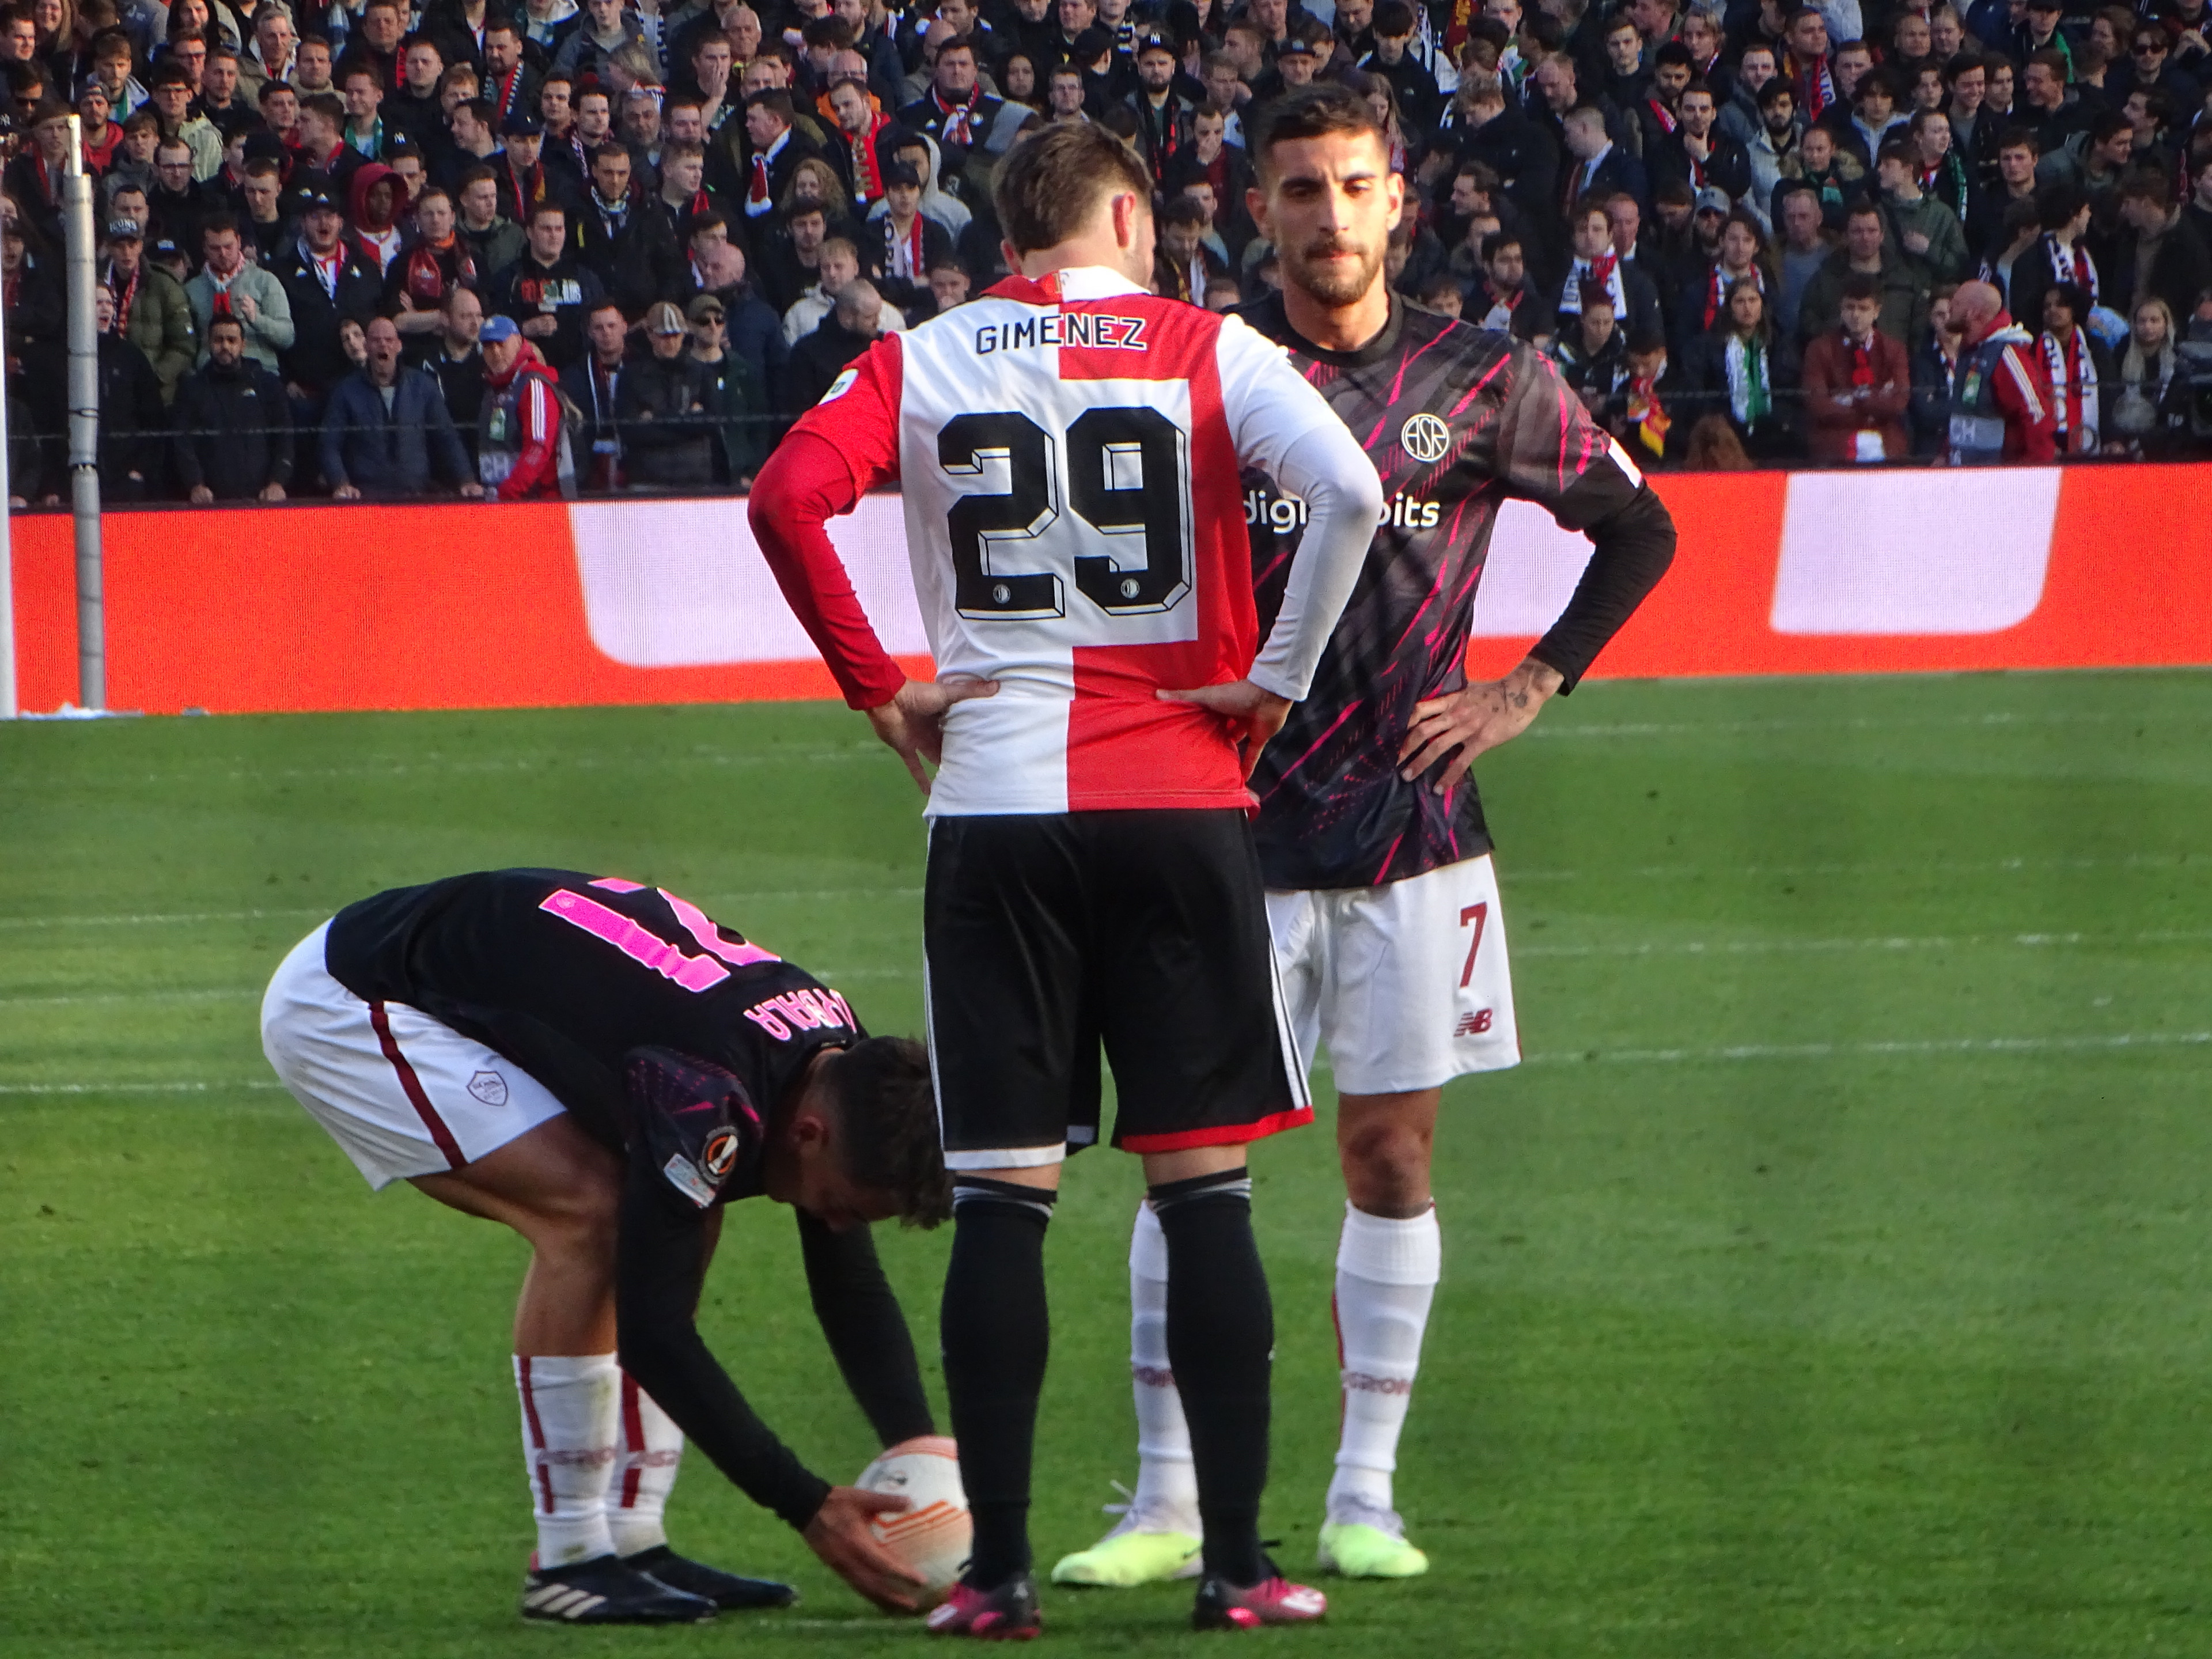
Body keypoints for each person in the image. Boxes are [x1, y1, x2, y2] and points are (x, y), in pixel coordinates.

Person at [745, 115, 1386, 1638]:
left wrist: (876, 685)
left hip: (996, 809)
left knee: (1000, 1202)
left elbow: (783, 501)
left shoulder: (924, 356)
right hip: (1178, 794)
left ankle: (1000, 1576)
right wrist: (1277, 679)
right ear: (1126, 217)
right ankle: (1237, 1568)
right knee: (1207, 1192)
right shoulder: (1209, 348)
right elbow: (1353, 495)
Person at [1049, 82, 1674, 1596]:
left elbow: (1639, 527)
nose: (1329, 217)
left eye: (1353, 187)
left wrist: (1527, 686)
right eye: (1300, 191)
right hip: (1222, 834)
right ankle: (1162, 1506)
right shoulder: (1200, 372)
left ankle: (1362, 1498)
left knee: (1392, 1160)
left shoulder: (1487, 378)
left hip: (1415, 832)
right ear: (1256, 211)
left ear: (1397, 202)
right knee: (1192, 1170)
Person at [259, 869, 952, 1624]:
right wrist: (805, 1504)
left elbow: (848, 1287)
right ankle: (570, 1559)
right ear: (810, 1136)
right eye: (846, 1205)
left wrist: (919, 1450)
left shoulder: (838, 1059)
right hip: (353, 997)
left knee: (679, 1194)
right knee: (594, 1219)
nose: (842, 1225)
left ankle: (631, 1538)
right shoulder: (708, 1088)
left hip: (472, 960)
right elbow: (656, 1337)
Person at [321, 314, 482, 497]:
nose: (383, 345)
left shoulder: (423, 387)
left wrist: (466, 479)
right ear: (366, 347)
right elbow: (329, 445)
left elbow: (447, 438)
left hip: (415, 496)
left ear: (399, 346)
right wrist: (340, 483)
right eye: (376, 340)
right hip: (365, 498)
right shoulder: (345, 391)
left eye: (389, 340)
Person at [172, 312, 294, 501]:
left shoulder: (267, 384)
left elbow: (284, 435)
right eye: (218, 340)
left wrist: (277, 482)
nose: (225, 346)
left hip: (261, 500)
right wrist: (195, 484)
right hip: (210, 502)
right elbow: (183, 442)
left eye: (232, 340)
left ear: (243, 345)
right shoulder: (192, 388)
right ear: (208, 343)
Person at [1798, 271, 1911, 460]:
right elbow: (1818, 404)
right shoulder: (1819, 349)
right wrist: (1876, 397)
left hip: (1885, 438)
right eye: (1850, 308)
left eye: (1864, 308)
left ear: (1876, 311)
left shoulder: (1894, 349)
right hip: (1835, 439)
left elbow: (1899, 402)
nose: (1856, 315)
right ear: (1841, 310)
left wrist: (1850, 399)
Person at [1942, 277, 2055, 463]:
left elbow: (2036, 415)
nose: (1950, 308)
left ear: (1973, 313)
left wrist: (2034, 475)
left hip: (1999, 480)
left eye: (1957, 303)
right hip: (1967, 475)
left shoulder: (2006, 355)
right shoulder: (1972, 353)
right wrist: (1946, 454)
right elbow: (1969, 412)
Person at [477, 311, 577, 499]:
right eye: (488, 346)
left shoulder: (534, 384)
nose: (496, 352)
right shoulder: (493, 388)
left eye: (501, 344)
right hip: (502, 501)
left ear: (517, 342)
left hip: (536, 504)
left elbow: (538, 447)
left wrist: (509, 491)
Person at [617, 298, 716, 486]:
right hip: (648, 479)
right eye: (664, 336)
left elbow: (712, 422)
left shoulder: (701, 372)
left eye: (676, 335)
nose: (671, 342)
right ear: (650, 334)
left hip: (695, 479)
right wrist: (687, 421)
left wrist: (656, 418)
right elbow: (630, 431)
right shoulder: (631, 376)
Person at [101, 215, 198, 401]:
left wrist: (154, 378)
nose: (127, 252)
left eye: (132, 245)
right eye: (120, 246)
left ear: (141, 246)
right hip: (105, 389)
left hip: (152, 394)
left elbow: (185, 346)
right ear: (109, 248)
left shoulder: (164, 285)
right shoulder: (94, 281)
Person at [184, 213, 295, 370]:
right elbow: (184, 345)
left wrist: (257, 319)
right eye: (215, 248)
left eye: (228, 247)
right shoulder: (192, 289)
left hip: (259, 372)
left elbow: (287, 338)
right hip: (210, 377)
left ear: (239, 242)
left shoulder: (265, 281)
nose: (223, 254)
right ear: (204, 249)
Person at [2037, 279, 2113, 455]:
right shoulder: (2034, 348)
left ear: (2074, 309)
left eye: (2061, 305)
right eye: (2047, 306)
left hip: (2093, 440)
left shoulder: (2095, 348)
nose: (2052, 311)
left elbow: (2109, 396)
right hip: (2048, 445)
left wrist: (2111, 438)